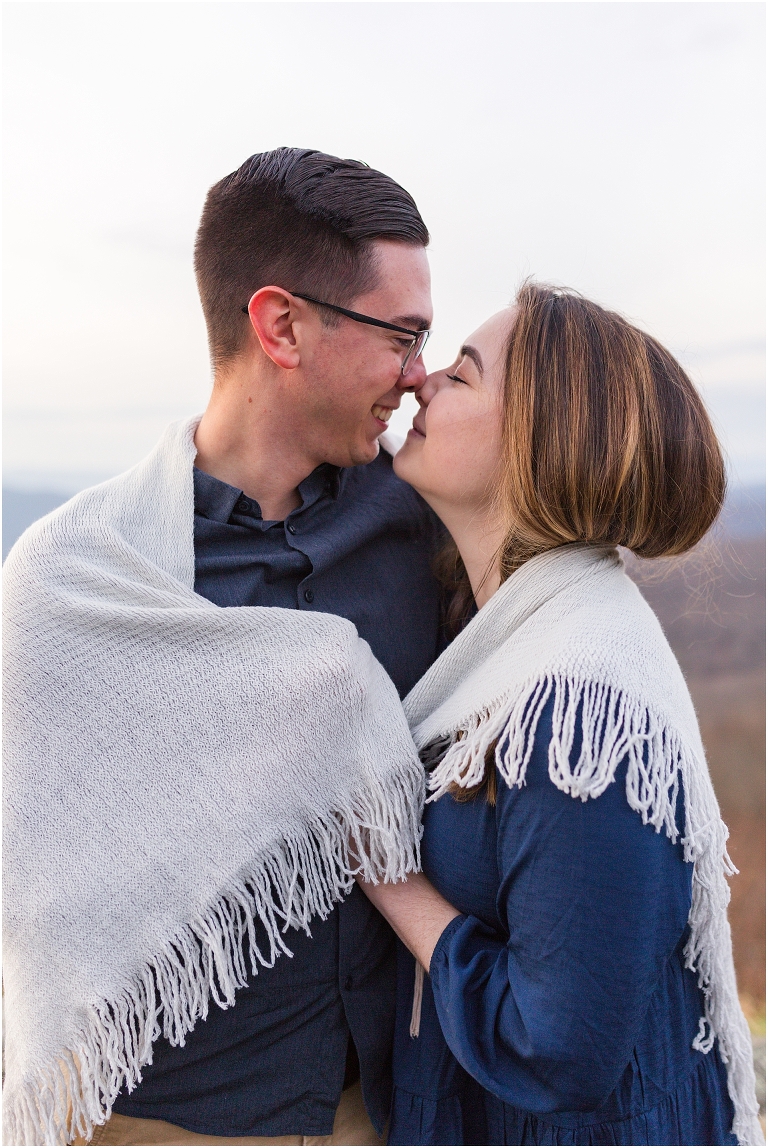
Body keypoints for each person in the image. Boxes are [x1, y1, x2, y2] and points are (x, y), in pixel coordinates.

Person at [3, 149, 446, 1147]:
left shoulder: (424, 533)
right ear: (280, 324)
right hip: (152, 1125)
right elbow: (43, 894)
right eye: (402, 335)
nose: (419, 372)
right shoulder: (78, 580)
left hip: (379, 1115)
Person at [357, 282, 763, 1146]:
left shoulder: (576, 707)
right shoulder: (504, 642)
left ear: (537, 444)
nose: (422, 382)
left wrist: (391, 880)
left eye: (463, 377)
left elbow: (559, 1047)